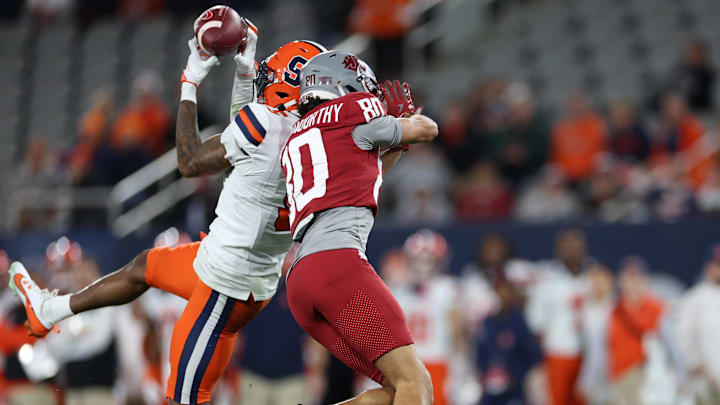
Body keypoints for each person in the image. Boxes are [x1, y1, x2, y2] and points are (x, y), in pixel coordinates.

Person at [8, 22, 329, 404]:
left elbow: (190, 161)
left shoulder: (267, 124)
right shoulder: (315, 140)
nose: (266, 77)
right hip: (234, 268)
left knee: (182, 399)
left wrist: (190, 81)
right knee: (145, 267)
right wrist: (244, 70)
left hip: (224, 283)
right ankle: (51, 309)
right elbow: (248, 133)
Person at [281, 51, 438, 405]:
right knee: (418, 385)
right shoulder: (354, 111)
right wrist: (405, 120)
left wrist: (394, 135)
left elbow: (367, 172)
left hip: (301, 279)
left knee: (396, 390)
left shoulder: (298, 136)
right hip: (338, 263)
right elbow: (429, 129)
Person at [393, 230, 463, 405]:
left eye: (427, 260)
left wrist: (461, 369)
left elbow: (458, 334)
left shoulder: (447, 290)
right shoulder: (397, 291)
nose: (421, 266)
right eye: (417, 260)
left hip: (436, 363)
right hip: (404, 366)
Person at [526, 228, 594, 405]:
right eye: (566, 246)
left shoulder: (593, 278)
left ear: (584, 248)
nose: (571, 250)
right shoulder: (547, 281)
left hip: (590, 353)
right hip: (558, 352)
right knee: (558, 400)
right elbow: (535, 322)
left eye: (575, 245)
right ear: (558, 250)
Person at [475, 279, 542, 405]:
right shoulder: (488, 322)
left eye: (506, 294)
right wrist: (485, 373)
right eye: (499, 294)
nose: (502, 298)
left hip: (514, 390)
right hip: (490, 389)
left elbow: (533, 356)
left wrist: (515, 374)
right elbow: (480, 353)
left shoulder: (520, 322)